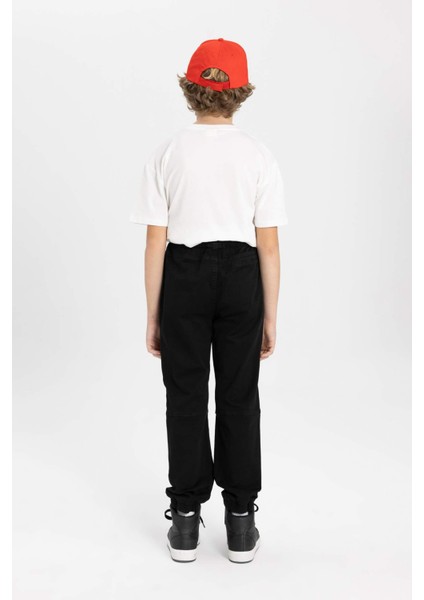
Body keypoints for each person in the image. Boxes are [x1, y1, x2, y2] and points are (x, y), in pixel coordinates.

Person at [130, 37, 288, 563]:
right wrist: (270, 314)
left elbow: (155, 241)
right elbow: (269, 244)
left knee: (185, 395)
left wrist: (154, 313)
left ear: (189, 88)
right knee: (240, 396)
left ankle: (185, 521)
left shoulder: (168, 152)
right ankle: (240, 521)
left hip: (184, 275)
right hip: (243, 276)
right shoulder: (258, 154)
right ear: (241, 91)